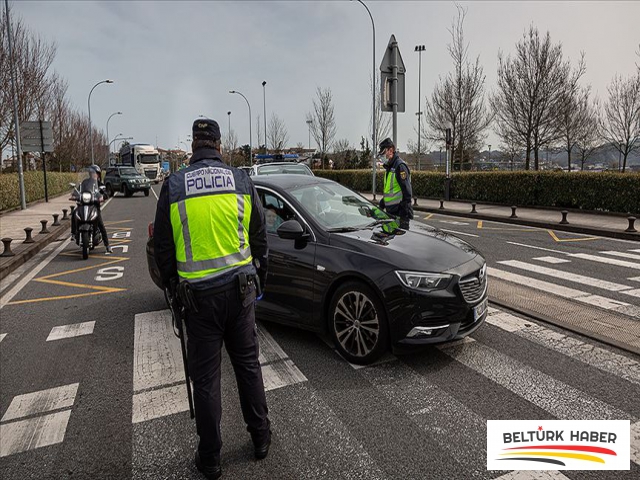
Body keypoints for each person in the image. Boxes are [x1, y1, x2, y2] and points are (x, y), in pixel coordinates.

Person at [153, 118, 271, 480]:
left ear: (193, 145)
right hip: (240, 294)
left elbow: (163, 248)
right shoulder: (240, 180)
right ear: (219, 145)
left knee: (205, 382)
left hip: (199, 302)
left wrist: (174, 289)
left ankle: (211, 458)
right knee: (248, 366)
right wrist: (258, 283)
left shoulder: (173, 186)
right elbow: (260, 238)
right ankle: (261, 437)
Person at [71, 165, 112, 254]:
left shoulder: (100, 185)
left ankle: (107, 245)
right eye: (92, 173)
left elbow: (105, 192)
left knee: (101, 224)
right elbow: (78, 190)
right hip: (83, 204)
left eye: (95, 173)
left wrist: (103, 197)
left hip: (94, 206)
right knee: (74, 213)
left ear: (98, 174)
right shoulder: (85, 182)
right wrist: (75, 195)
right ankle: (73, 233)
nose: (94, 175)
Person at [377, 137, 413, 225]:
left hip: (400, 214)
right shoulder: (389, 168)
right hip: (391, 213)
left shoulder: (399, 166)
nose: (382, 156)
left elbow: (407, 193)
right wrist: (382, 204)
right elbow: (390, 191)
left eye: (384, 152)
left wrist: (403, 214)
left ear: (391, 150)